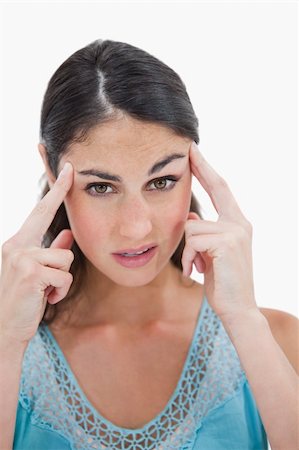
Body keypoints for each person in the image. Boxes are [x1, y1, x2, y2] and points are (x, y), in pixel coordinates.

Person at [0, 38, 298, 450]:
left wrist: (244, 319)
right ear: (53, 172)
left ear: (195, 170)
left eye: (161, 182)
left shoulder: (278, 340)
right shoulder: (9, 348)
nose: (137, 228)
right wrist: (7, 341)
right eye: (101, 187)